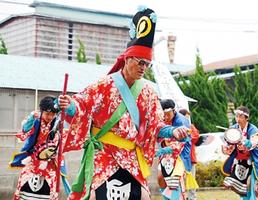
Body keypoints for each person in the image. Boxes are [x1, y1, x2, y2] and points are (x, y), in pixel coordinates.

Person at [58, 7, 189, 200]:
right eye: (140, 62)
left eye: (147, 64)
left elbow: (155, 125)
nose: (144, 68)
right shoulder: (104, 85)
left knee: (144, 197)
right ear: (127, 59)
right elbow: (82, 105)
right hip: (104, 154)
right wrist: (69, 106)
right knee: (94, 196)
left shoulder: (147, 92)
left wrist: (172, 132)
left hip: (131, 157)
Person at [10, 96, 63, 200]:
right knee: (24, 181)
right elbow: (25, 130)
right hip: (32, 158)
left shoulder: (57, 124)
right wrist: (31, 120)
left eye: (53, 114)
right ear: (41, 111)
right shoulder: (35, 120)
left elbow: (59, 142)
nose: (50, 117)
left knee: (51, 185)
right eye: (48, 114)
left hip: (49, 161)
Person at [156, 99, 198, 200]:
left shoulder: (181, 121)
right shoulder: (160, 119)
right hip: (166, 156)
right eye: (163, 114)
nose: (165, 117)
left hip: (180, 156)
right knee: (161, 179)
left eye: (168, 114)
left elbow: (180, 144)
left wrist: (161, 151)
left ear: (174, 111)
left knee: (175, 182)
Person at [222, 106, 258, 200]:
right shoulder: (234, 128)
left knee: (254, 189)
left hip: (254, 162)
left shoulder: (253, 130)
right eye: (236, 116)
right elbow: (227, 142)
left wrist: (245, 141)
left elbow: (254, 142)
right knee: (243, 191)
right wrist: (227, 148)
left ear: (247, 118)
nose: (238, 119)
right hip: (241, 162)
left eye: (241, 116)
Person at [178, 108, 200, 200]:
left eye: (188, 117)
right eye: (186, 117)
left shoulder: (190, 126)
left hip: (190, 159)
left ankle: (192, 198)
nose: (187, 120)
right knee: (179, 180)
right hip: (179, 159)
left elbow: (195, 137)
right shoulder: (176, 126)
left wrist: (189, 130)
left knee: (191, 179)